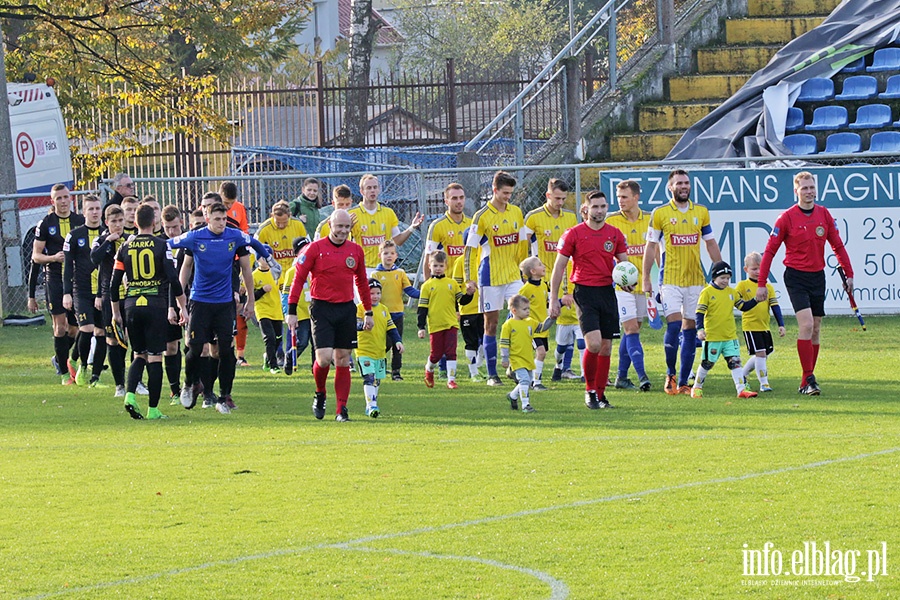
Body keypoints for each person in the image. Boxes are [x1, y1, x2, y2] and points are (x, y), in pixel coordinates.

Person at [168, 202, 276, 414]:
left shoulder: (233, 236)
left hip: (225, 303)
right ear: (207, 218)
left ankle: (224, 396)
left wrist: (268, 260)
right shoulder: (195, 236)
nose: (221, 223)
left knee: (226, 350)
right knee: (195, 347)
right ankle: (189, 383)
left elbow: (253, 245)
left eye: (224, 219)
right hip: (200, 301)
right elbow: (169, 245)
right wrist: (180, 302)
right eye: (217, 219)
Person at [756, 171, 854, 395]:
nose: (809, 192)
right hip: (796, 276)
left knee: (816, 328)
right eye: (804, 188)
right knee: (807, 325)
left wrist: (849, 274)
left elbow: (838, 246)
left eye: (812, 188)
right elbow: (770, 251)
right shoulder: (787, 218)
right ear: (796, 191)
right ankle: (809, 378)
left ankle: (806, 379)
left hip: (817, 276)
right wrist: (761, 282)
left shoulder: (824, 214)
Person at [286, 209, 371, 422]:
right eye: (339, 226)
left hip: (346, 309)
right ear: (330, 226)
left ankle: (341, 409)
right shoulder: (314, 249)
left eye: (346, 227)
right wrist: (292, 310)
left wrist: (368, 311)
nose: (343, 231)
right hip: (322, 308)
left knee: (343, 359)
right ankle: (320, 392)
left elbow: (361, 282)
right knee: (323, 359)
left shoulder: (356, 251)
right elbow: (299, 279)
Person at [642, 169, 722, 396]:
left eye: (686, 183)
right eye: (679, 183)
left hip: (696, 280)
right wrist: (646, 277)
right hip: (670, 279)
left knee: (690, 329)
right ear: (671, 187)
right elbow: (651, 246)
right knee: (674, 325)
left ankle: (685, 381)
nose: (684, 186)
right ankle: (671, 373)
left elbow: (710, 243)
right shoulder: (660, 213)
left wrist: (720, 270)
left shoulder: (702, 212)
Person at [550, 190, 629, 410]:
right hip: (584, 293)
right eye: (595, 207)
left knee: (605, 348)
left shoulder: (615, 234)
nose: (600, 211)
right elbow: (559, 267)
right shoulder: (573, 234)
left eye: (603, 206)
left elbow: (624, 266)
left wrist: (628, 281)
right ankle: (590, 391)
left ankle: (601, 396)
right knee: (593, 344)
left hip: (607, 292)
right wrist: (553, 299)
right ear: (586, 209)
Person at [110, 204, 187, 419]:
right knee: (155, 357)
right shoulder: (162, 245)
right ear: (154, 223)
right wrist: (182, 307)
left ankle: (130, 395)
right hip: (155, 304)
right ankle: (153, 409)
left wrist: (116, 312)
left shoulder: (124, 247)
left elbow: (113, 284)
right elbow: (173, 279)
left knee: (138, 354)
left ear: (134, 223)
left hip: (132, 305)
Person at [464, 170, 527, 386]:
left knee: (520, 319)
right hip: (490, 277)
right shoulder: (481, 216)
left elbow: (522, 244)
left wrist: (523, 270)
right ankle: (492, 374)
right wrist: (469, 278)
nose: (508, 197)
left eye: (510, 193)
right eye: (504, 193)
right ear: (494, 190)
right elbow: (470, 250)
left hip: (512, 275)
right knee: (490, 324)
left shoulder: (516, 212)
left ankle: (513, 366)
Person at [520, 178, 579, 383]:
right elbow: (523, 248)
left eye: (563, 198)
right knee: (536, 325)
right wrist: (525, 276)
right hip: (540, 279)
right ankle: (524, 366)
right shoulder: (533, 217)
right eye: (557, 198)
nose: (560, 202)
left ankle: (564, 368)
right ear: (547, 195)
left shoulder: (571, 218)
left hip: (565, 278)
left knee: (568, 320)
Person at [31, 184, 85, 385]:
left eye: (66, 197)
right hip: (55, 280)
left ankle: (60, 358)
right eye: (59, 198)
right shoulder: (45, 224)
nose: (63, 201)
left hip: (77, 281)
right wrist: (53, 257)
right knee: (60, 327)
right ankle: (64, 374)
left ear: (70, 199)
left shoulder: (79, 221)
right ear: (52, 201)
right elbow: (36, 256)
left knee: (76, 329)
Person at [606, 180, 656, 392]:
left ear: (636, 197)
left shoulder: (650, 219)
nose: (620, 201)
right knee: (631, 329)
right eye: (618, 197)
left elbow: (657, 250)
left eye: (624, 197)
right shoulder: (612, 220)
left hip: (643, 284)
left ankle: (621, 377)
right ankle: (643, 376)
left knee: (633, 329)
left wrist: (655, 279)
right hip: (621, 287)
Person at [691, 261, 760, 399]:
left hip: (730, 337)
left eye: (728, 278)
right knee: (707, 364)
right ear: (714, 277)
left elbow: (743, 307)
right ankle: (697, 387)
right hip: (713, 337)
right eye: (722, 278)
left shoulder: (732, 292)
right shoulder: (707, 292)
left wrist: (756, 300)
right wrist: (700, 329)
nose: (725, 281)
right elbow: (699, 313)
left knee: (735, 362)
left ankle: (741, 390)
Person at [255, 200, 309, 367]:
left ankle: (285, 354)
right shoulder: (264, 229)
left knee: (290, 319)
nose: (281, 225)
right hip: (274, 280)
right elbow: (253, 250)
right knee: (276, 321)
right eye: (278, 222)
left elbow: (308, 248)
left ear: (290, 216)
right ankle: (278, 353)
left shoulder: (298, 226)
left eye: (284, 222)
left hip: (294, 278)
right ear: (272, 216)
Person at [62, 194, 105, 386]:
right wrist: (66, 292)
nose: (95, 212)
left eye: (97, 208)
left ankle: (95, 377)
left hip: (102, 292)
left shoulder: (106, 234)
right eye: (91, 209)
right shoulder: (75, 235)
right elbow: (68, 266)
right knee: (86, 329)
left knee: (102, 333)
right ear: (83, 211)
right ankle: (81, 366)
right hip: (81, 290)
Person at [91, 204, 129, 396]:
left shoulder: (130, 240)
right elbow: (94, 259)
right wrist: (108, 241)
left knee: (127, 339)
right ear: (106, 222)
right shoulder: (100, 240)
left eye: (120, 221)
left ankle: (133, 381)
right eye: (113, 221)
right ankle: (119, 385)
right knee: (112, 339)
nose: (117, 225)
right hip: (109, 297)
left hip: (129, 297)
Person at [350, 174, 424, 272]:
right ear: (362, 191)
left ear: (379, 190)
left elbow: (398, 240)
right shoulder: (352, 214)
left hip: (385, 268)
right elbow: (344, 243)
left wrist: (412, 227)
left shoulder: (388, 213)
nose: (372, 190)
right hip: (364, 269)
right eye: (369, 188)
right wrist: (347, 228)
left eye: (375, 187)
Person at [735, 252, 785, 392]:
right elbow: (737, 303)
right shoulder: (742, 286)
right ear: (746, 270)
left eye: (761, 268)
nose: (758, 272)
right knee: (761, 354)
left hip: (764, 326)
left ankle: (743, 374)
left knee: (764, 354)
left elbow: (775, 306)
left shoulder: (768, 287)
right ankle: (764, 384)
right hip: (750, 326)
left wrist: (781, 324)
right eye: (754, 269)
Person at [417, 251, 466, 390]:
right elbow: (422, 308)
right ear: (429, 266)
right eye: (435, 265)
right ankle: (429, 369)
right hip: (435, 325)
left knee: (451, 352)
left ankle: (451, 380)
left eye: (441, 265)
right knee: (436, 354)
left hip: (451, 323)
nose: (438, 268)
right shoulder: (427, 286)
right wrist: (421, 327)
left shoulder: (452, 283)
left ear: (446, 266)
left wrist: (469, 293)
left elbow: (462, 301)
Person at [371, 239, 419, 380]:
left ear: (396, 256)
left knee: (397, 344)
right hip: (382, 315)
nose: (389, 256)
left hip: (397, 314)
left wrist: (425, 293)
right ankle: (379, 367)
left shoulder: (400, 272)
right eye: (386, 253)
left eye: (392, 253)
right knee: (383, 344)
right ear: (380, 255)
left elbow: (409, 290)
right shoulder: (376, 275)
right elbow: (372, 295)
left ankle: (396, 371)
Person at [356, 278, 403, 418]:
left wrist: (398, 341)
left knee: (377, 380)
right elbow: (355, 325)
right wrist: (361, 325)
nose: (375, 296)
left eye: (377, 293)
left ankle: (370, 404)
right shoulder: (360, 309)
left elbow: (391, 328)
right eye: (371, 293)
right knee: (369, 377)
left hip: (380, 352)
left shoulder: (384, 310)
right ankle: (372, 406)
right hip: (364, 351)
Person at [161, 205, 189, 403]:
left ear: (181, 222)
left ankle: (192, 384)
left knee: (193, 344)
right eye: (167, 228)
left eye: (174, 227)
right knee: (171, 346)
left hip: (191, 299)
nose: (171, 232)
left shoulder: (189, 242)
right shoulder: (160, 244)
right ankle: (174, 389)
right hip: (166, 301)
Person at [451, 236, 484, 381]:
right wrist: (456, 308)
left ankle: (481, 366)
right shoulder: (461, 261)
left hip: (484, 309)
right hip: (468, 310)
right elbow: (455, 288)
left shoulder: (485, 258)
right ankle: (474, 372)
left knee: (484, 340)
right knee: (471, 342)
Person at [424, 183, 471, 279]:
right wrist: (428, 287)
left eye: (461, 198)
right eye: (454, 198)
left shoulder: (472, 224)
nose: (459, 201)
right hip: (446, 284)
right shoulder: (437, 226)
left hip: (468, 284)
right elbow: (429, 257)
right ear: (446, 201)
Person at [500, 295, 538, 413]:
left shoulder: (530, 322)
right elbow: (504, 343)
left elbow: (541, 327)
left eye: (528, 309)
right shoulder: (508, 325)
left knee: (527, 380)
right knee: (525, 380)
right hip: (516, 359)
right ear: (514, 311)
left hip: (528, 358)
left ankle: (512, 396)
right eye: (524, 309)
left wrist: (552, 318)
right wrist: (505, 358)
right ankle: (525, 405)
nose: (528, 312)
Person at [281, 237, 312, 376]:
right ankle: (290, 356)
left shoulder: (316, 268)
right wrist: (288, 312)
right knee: (303, 341)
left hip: (316, 312)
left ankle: (316, 368)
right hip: (301, 313)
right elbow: (286, 294)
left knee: (318, 344)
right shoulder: (292, 272)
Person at [517, 257, 549, 391]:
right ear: (533, 271)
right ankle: (536, 382)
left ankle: (518, 373)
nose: (544, 267)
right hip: (532, 328)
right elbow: (516, 306)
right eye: (540, 265)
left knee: (540, 353)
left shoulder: (543, 285)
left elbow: (545, 303)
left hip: (543, 328)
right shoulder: (525, 289)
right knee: (541, 352)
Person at [252, 253, 284, 374]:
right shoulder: (254, 275)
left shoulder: (276, 273)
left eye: (268, 257)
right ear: (257, 260)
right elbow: (251, 296)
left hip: (276, 310)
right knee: (269, 337)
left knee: (278, 338)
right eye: (262, 257)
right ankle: (273, 365)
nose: (265, 260)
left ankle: (268, 357)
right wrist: (262, 290)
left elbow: (283, 289)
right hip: (262, 311)